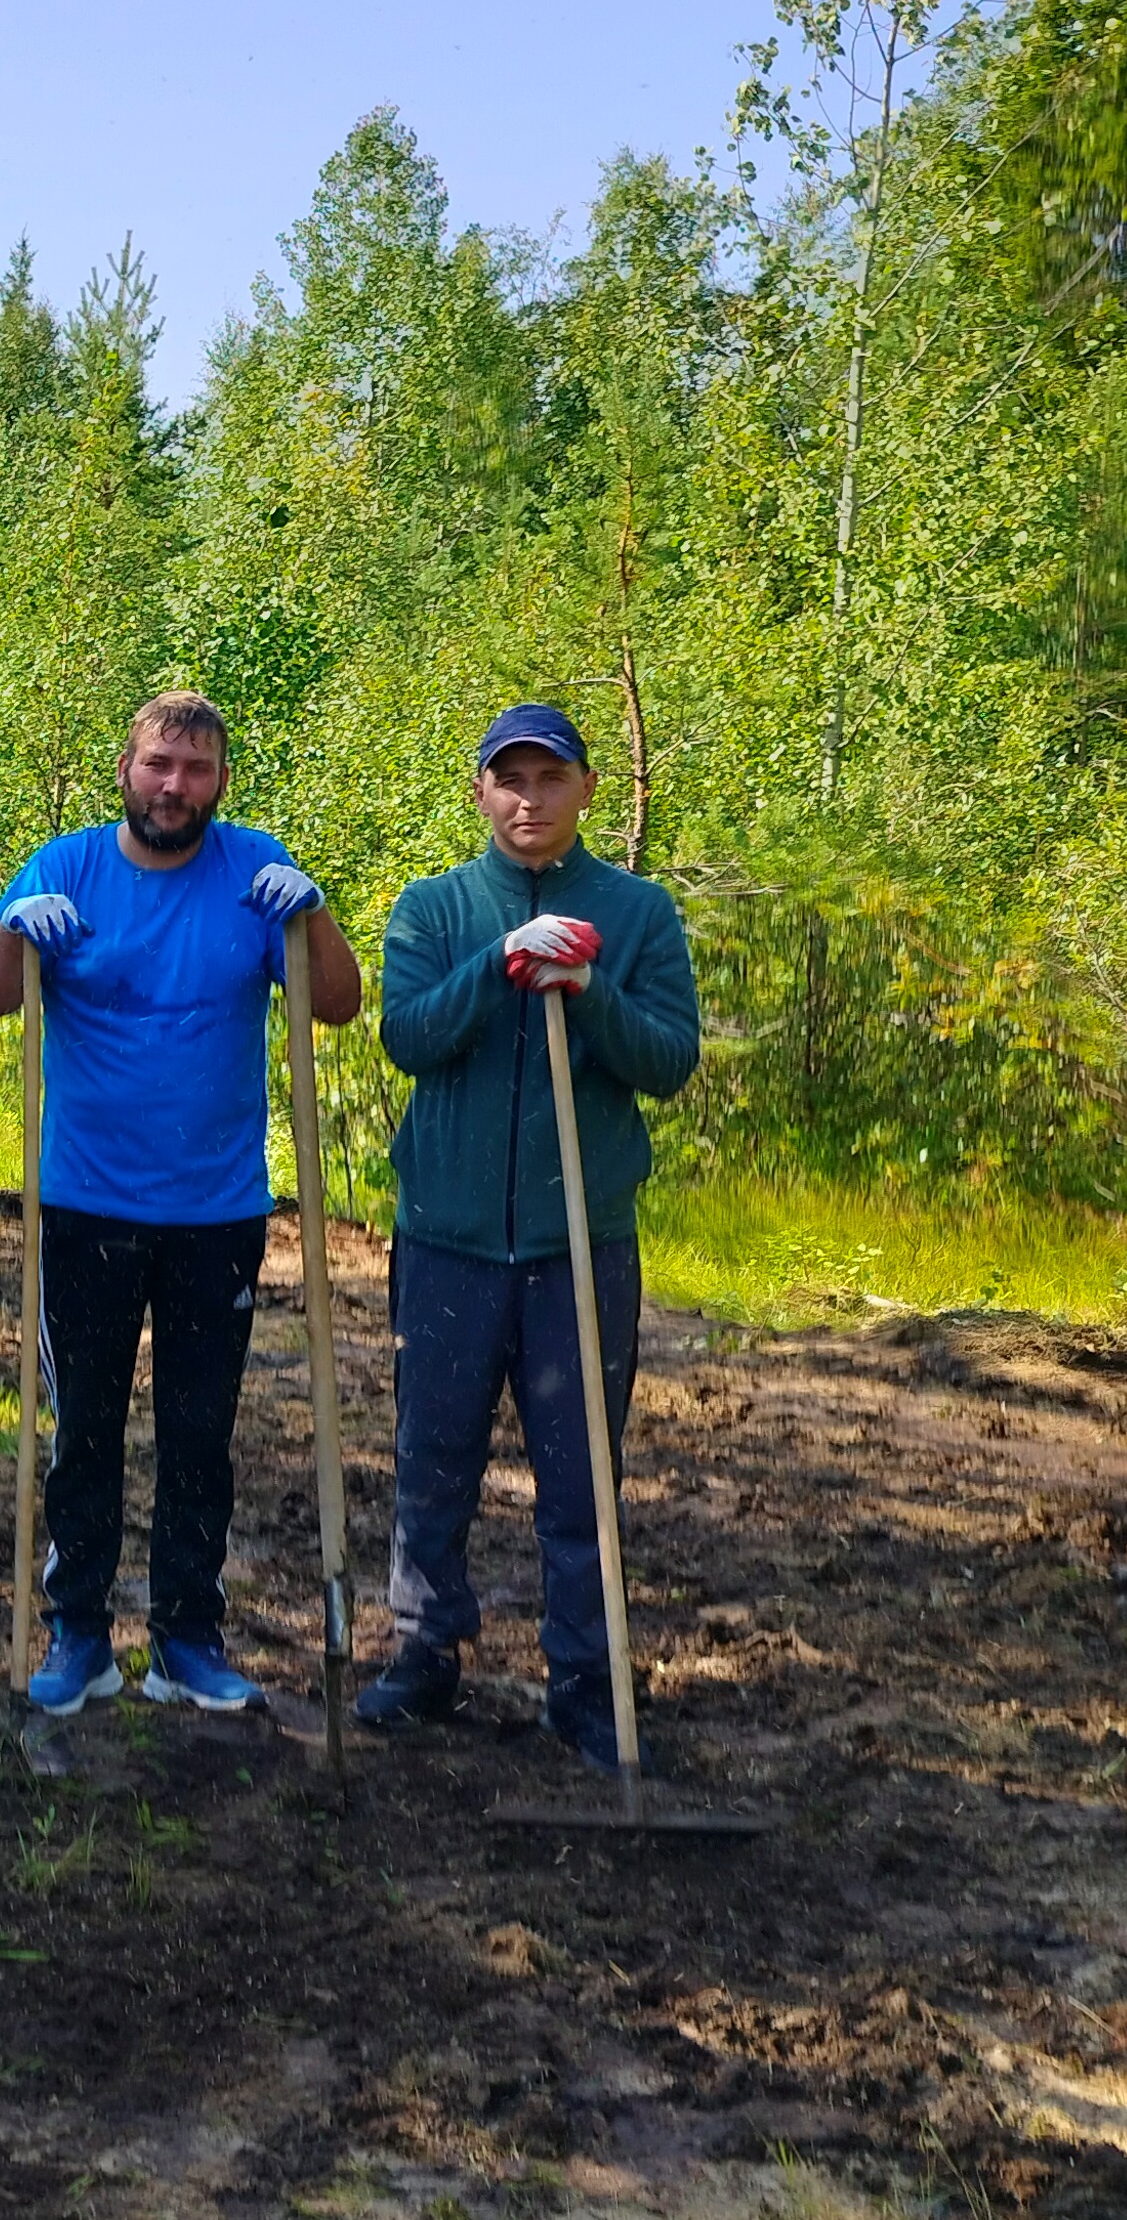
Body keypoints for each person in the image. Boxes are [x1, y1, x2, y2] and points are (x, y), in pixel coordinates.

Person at [0, 691, 362, 1719]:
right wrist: (16, 929)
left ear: (218, 780)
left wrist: (308, 912)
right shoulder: (67, 868)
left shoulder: (252, 870)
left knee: (198, 1430)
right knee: (81, 1427)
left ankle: (188, 1635)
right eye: (155, 765)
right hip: (87, 1204)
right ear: (125, 771)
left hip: (215, 1207)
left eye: (192, 768)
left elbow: (334, 1002)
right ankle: (78, 1634)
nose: (172, 785)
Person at [355, 701, 700, 1769]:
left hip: (576, 1242)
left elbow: (667, 1060)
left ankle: (585, 1681)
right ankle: (424, 1651)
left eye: (547, 778)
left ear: (584, 789)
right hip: (447, 1235)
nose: (526, 798)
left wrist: (588, 990)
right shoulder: (434, 907)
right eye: (506, 779)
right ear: (478, 793)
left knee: (579, 1470)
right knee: (431, 1453)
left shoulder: (636, 914)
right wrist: (499, 958)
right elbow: (408, 1036)